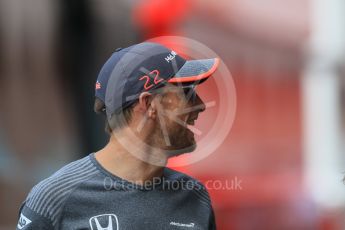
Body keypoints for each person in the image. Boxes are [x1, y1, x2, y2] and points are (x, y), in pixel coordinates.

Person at [16, 42, 220, 230]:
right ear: (149, 105)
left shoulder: (194, 197)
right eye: (187, 93)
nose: (200, 105)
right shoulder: (53, 199)